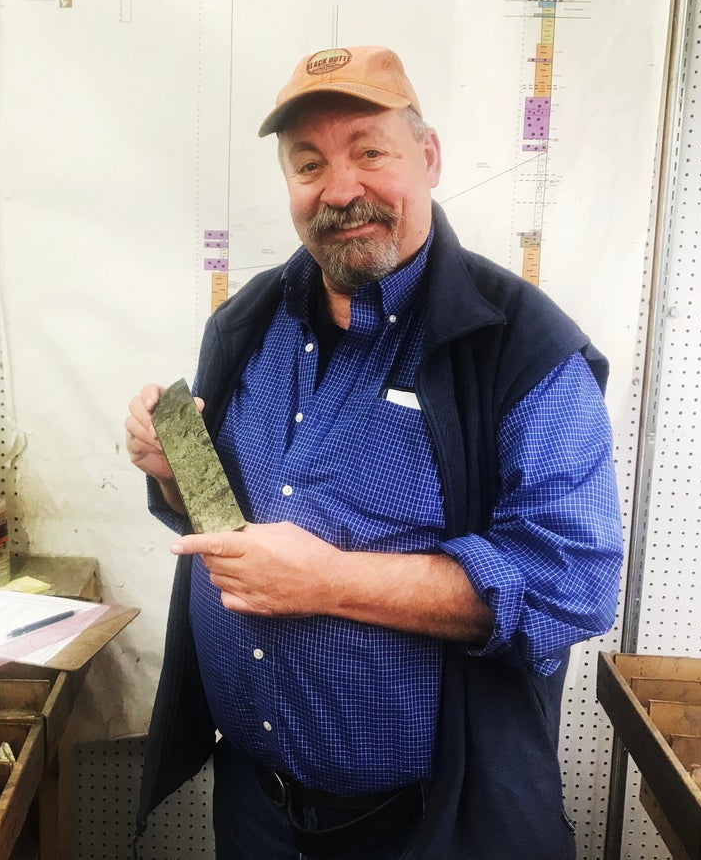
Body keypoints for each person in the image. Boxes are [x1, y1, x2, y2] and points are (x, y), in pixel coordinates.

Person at [125, 45, 622, 860]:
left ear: (427, 158)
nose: (342, 188)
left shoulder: (522, 348)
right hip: (254, 808)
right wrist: (177, 474)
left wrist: (328, 582)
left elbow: (573, 584)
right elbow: (239, 532)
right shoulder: (248, 324)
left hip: (432, 828)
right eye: (309, 163)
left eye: (370, 151)